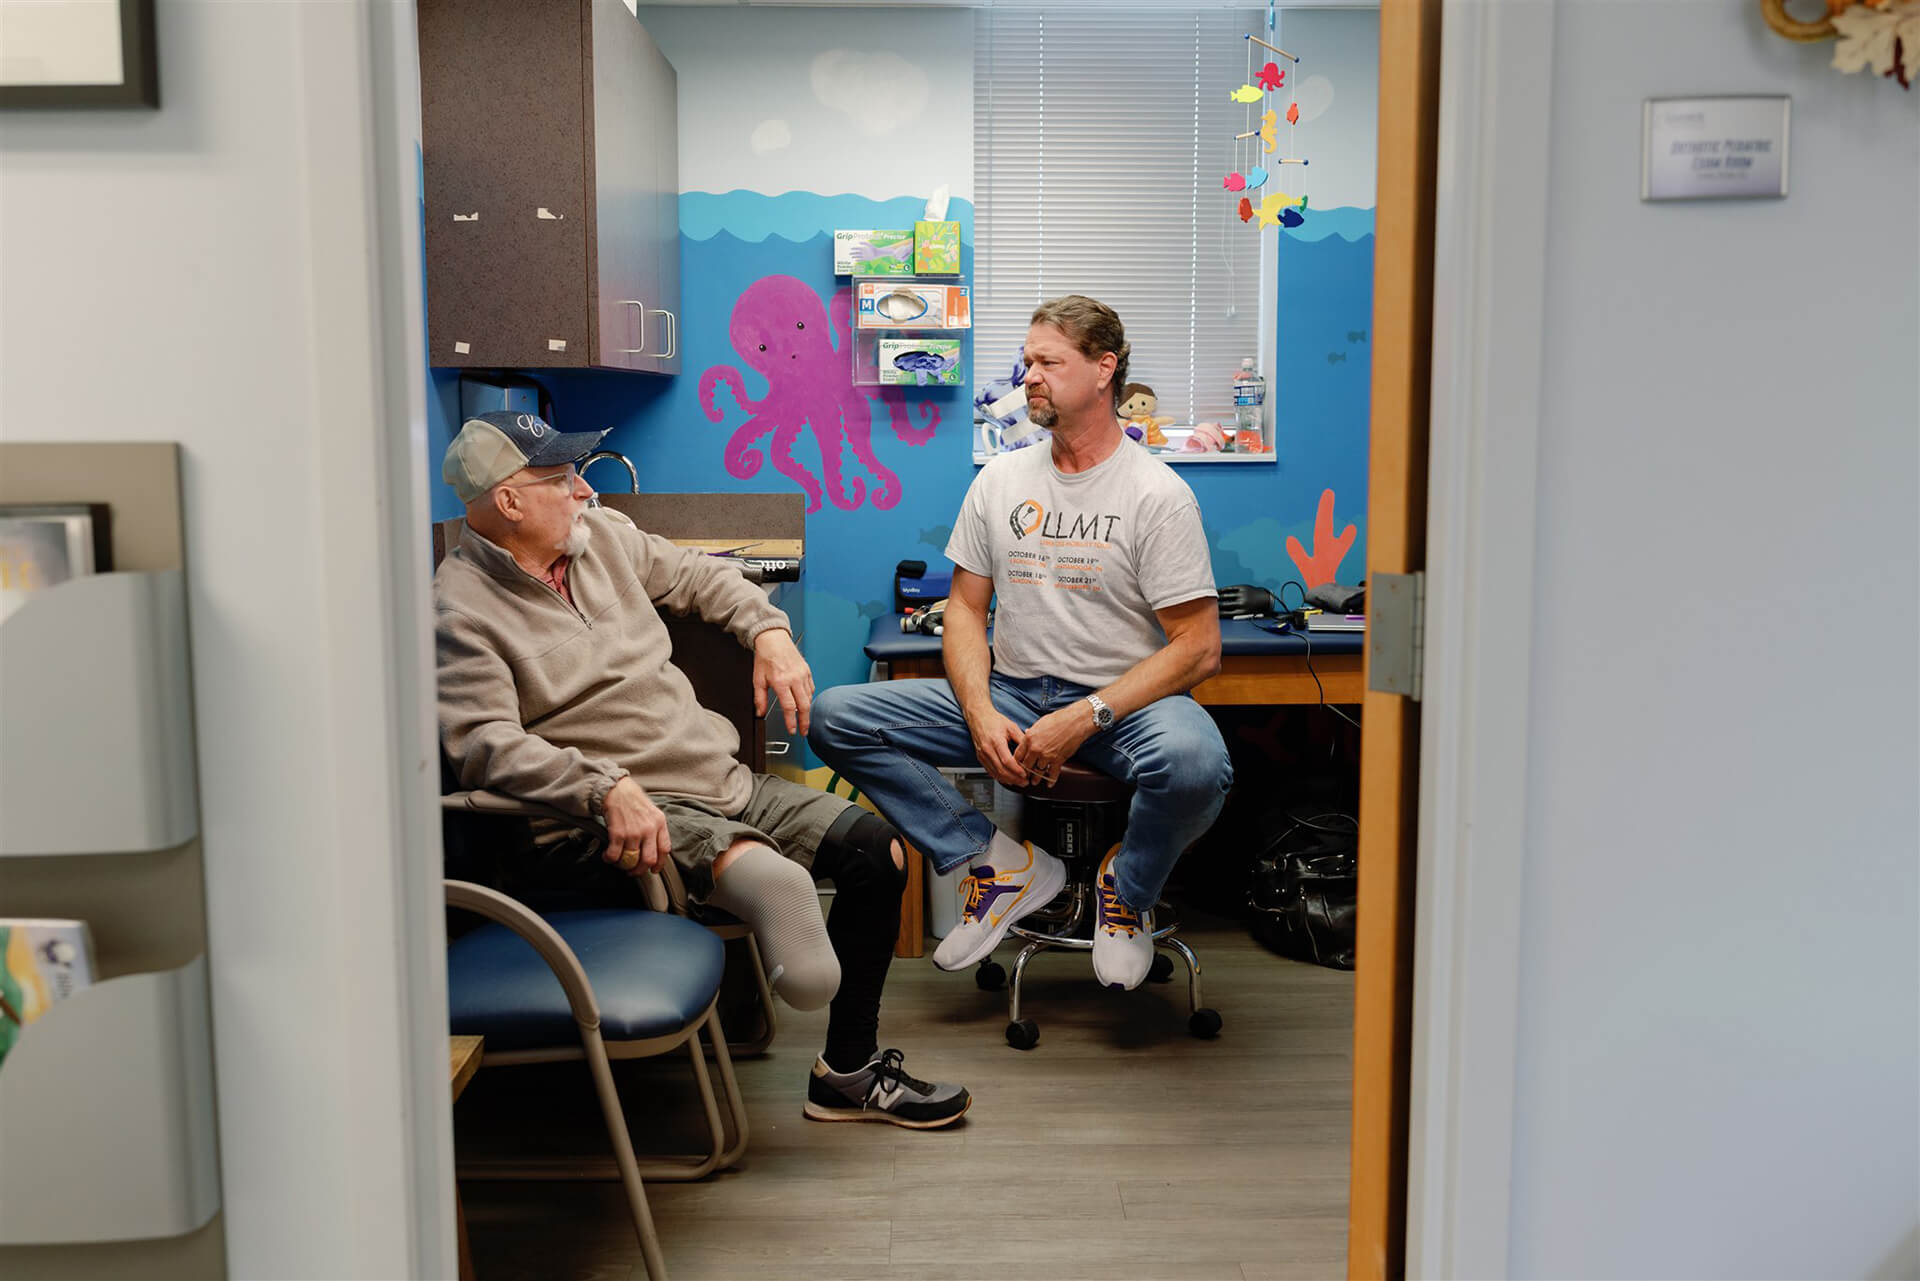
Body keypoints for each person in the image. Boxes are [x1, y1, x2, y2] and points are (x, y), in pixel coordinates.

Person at [434, 410, 968, 1129]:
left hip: (716, 780)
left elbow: (703, 576)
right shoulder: (460, 607)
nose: (585, 491)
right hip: (608, 819)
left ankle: (847, 1074)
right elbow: (482, 743)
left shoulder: (603, 538)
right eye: (561, 479)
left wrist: (770, 632)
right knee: (782, 892)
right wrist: (602, 786)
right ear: (509, 501)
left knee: (879, 851)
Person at [810, 296, 1233, 991]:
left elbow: (1199, 648)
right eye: (1027, 361)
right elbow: (963, 610)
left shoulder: (1156, 495)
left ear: (1104, 370)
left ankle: (1127, 891)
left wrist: (1086, 715)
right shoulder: (1000, 480)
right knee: (836, 717)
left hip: (1122, 707)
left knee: (1197, 764)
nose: (1028, 376)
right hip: (1013, 692)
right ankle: (995, 862)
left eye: (1048, 363)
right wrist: (979, 710)